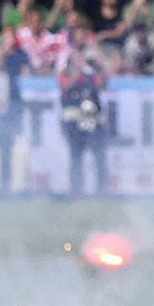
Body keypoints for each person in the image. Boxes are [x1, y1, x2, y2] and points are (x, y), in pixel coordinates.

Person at [59, 50, 108, 197]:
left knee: (99, 156)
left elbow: (102, 85)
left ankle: (102, 190)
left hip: (92, 120)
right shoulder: (65, 73)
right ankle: (76, 190)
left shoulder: (91, 74)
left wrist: (100, 66)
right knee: (76, 158)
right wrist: (77, 72)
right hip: (73, 122)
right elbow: (65, 87)